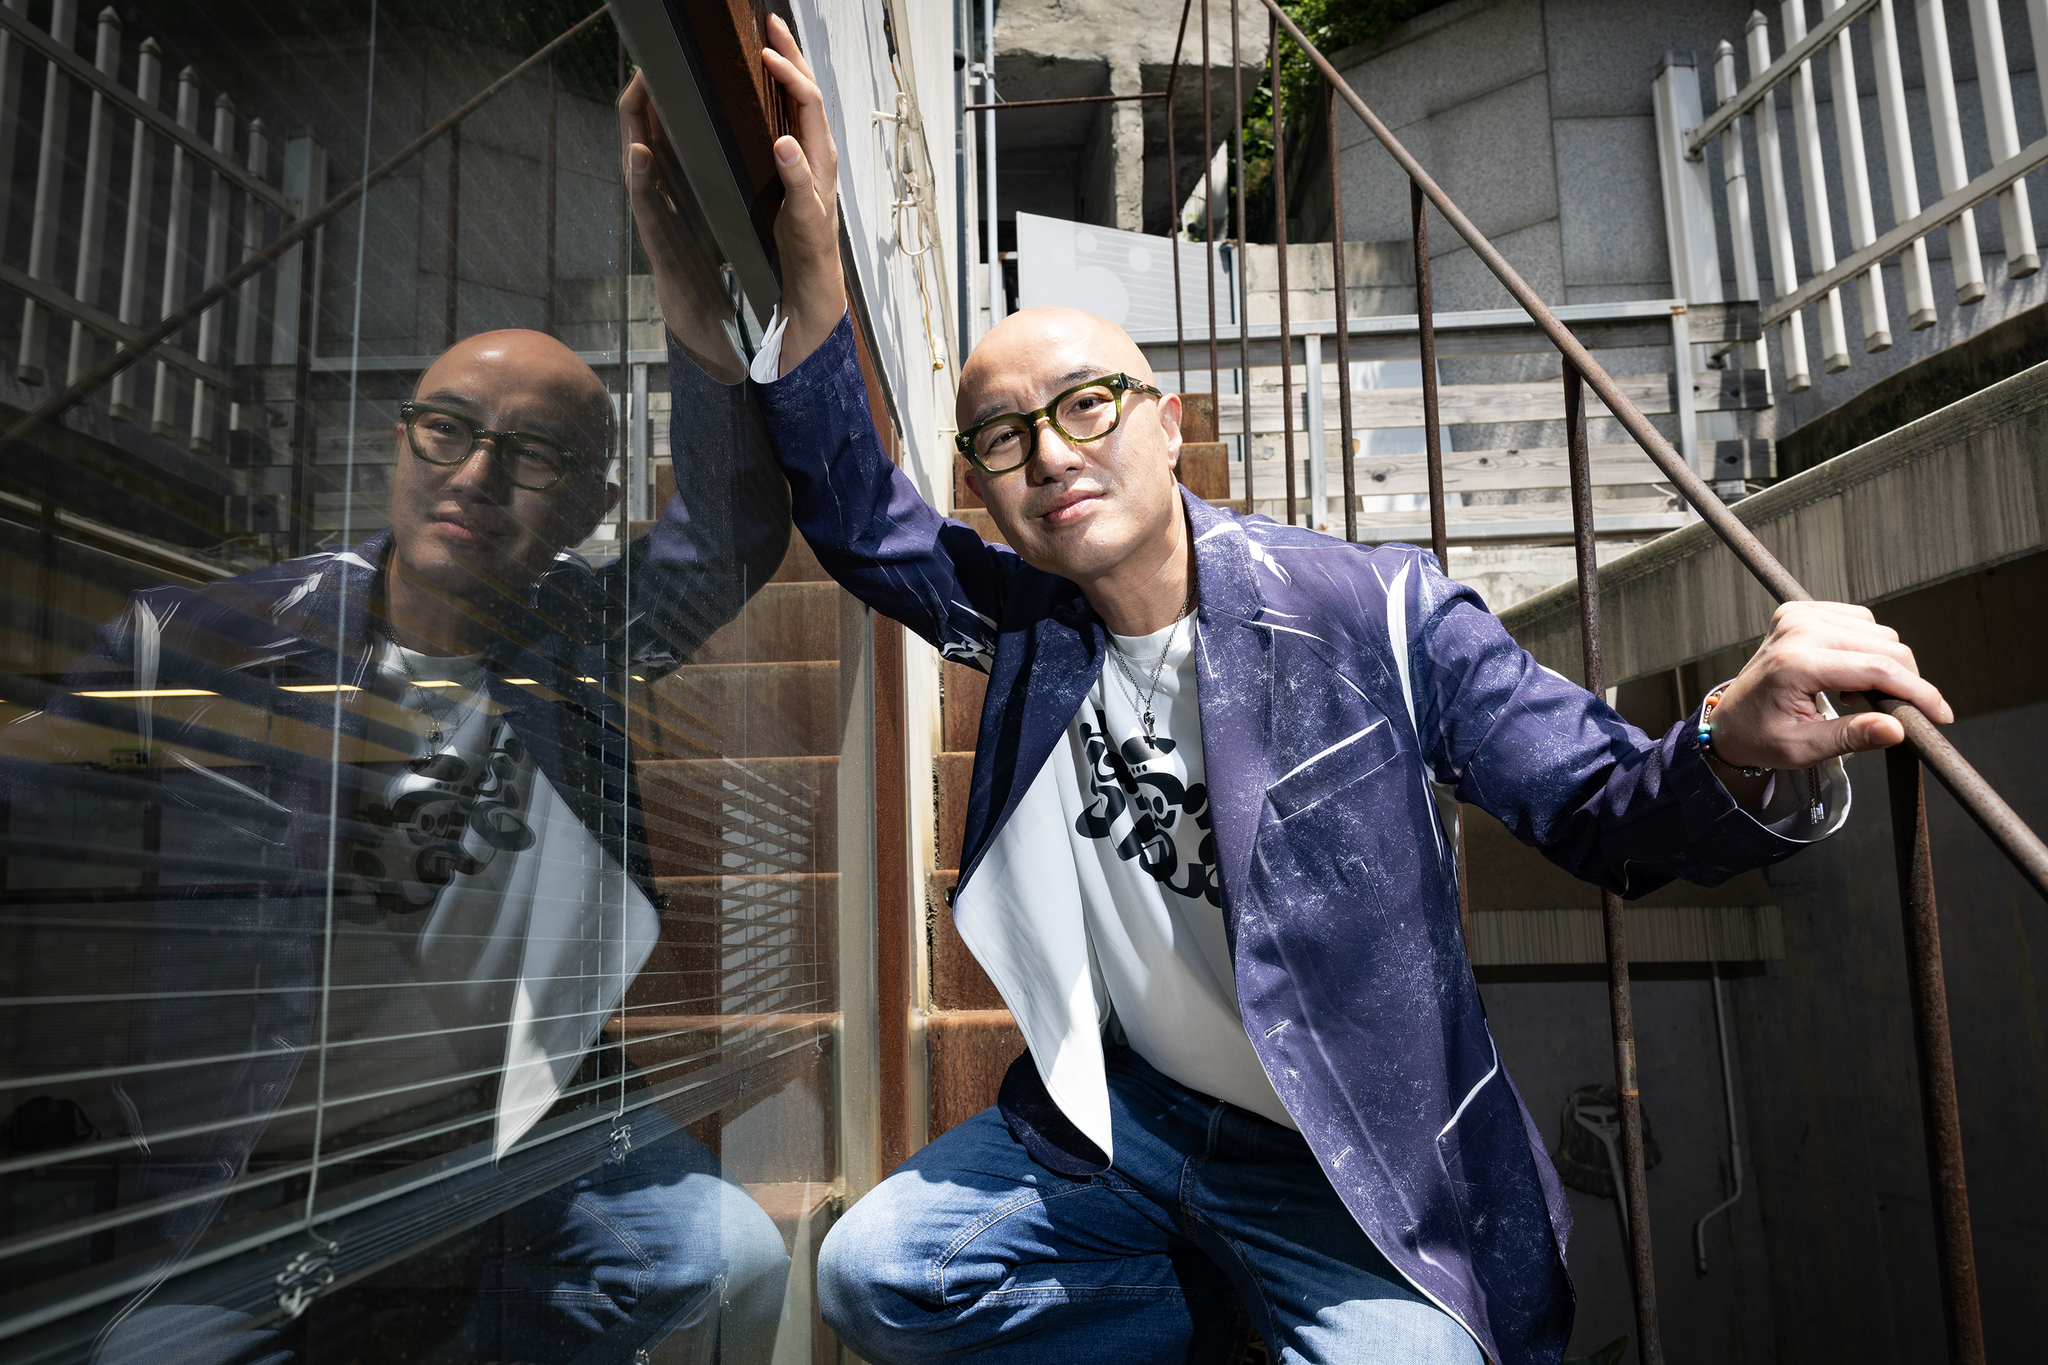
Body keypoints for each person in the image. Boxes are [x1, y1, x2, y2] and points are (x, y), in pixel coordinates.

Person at [627, 21, 1954, 1365]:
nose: (1051, 452)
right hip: (1127, 1128)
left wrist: (1734, 740)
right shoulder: (1032, 622)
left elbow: (1602, 805)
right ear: (988, 485)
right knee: (879, 1274)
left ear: (1164, 420)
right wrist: (804, 281)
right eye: (1005, 436)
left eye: (1087, 403)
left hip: (1346, 1160)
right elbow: (859, 522)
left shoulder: (1376, 610)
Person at [6, 295, 793, 1358]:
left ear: (589, 505)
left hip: (522, 1114)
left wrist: (695, 302)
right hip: (270, 1146)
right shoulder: (204, 642)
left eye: (533, 456)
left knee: (725, 1256)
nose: (473, 475)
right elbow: (31, 817)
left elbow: (734, 530)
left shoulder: (578, 641)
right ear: (401, 441)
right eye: (448, 430)